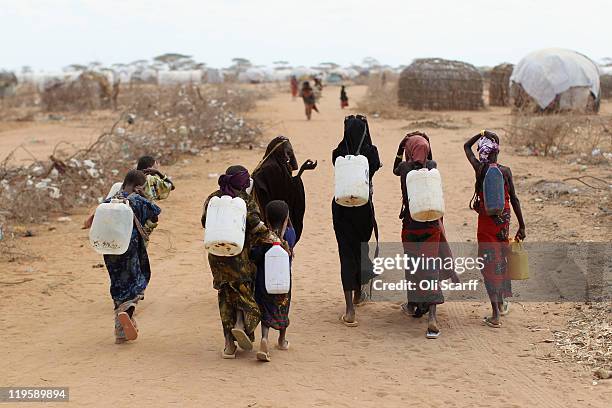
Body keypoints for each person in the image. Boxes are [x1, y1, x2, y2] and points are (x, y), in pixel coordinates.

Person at [393, 131, 458, 338]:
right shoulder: (433, 167)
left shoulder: (404, 169)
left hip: (411, 225)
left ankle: (414, 305)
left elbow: (395, 168)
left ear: (409, 150)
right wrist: (427, 145)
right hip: (431, 227)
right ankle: (431, 317)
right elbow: (429, 161)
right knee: (430, 267)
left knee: (413, 266)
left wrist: (400, 147)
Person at [202, 165, 269, 358]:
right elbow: (257, 227)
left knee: (225, 295)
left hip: (216, 257)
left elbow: (205, 222)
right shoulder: (246, 201)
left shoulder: (212, 198)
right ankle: (240, 323)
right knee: (244, 291)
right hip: (240, 257)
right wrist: (274, 238)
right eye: (246, 179)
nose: (249, 182)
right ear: (241, 181)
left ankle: (228, 345)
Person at [464, 130, 526, 328]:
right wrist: (522, 225)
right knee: (500, 259)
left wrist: (480, 133)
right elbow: (514, 199)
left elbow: (466, 146)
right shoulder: (505, 171)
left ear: (482, 152)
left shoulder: (480, 169)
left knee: (488, 263)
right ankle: (501, 302)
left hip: (486, 224)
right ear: (497, 151)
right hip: (503, 223)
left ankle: (495, 314)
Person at [332, 115, 381, 327]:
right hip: (363, 209)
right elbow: (376, 165)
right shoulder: (371, 153)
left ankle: (350, 310)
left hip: (341, 210)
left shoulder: (338, 152)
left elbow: (344, 148)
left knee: (346, 253)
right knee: (362, 249)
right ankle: (359, 294)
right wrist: (366, 128)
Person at [102, 170, 161, 344]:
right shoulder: (137, 200)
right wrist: (145, 196)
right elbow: (156, 211)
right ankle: (127, 310)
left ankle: (120, 330)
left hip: (110, 249)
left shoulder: (110, 200)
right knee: (137, 281)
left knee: (117, 282)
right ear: (138, 187)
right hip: (131, 248)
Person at [252, 200, 296, 362]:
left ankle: (264, 337)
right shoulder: (290, 234)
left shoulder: (262, 239)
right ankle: (281, 340)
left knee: (266, 310)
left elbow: (255, 256)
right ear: (286, 218)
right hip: (284, 281)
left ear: (267, 219)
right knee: (283, 308)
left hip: (264, 281)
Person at [252, 136, 317, 244]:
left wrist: (301, 170)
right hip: (272, 218)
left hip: (274, 215)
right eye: (286, 153)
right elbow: (285, 192)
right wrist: (299, 175)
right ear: (279, 152)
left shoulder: (275, 165)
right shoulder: (272, 168)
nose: (288, 157)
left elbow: (287, 186)